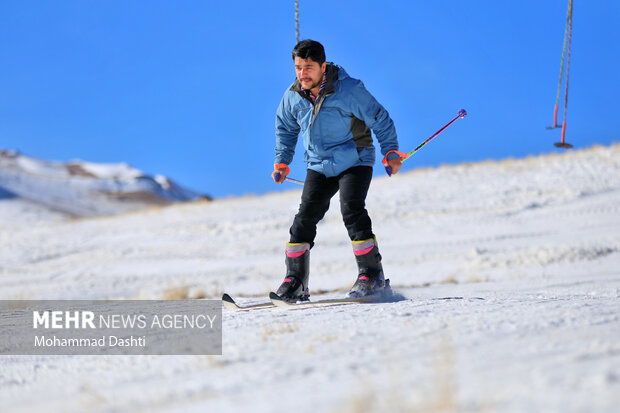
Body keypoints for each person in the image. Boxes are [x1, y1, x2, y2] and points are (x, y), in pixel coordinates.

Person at [272, 39, 404, 301]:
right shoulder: (292, 97)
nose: (302, 74)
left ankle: (371, 275)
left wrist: (390, 151)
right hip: (318, 164)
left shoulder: (349, 90)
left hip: (355, 159)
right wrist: (282, 161)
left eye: (308, 67)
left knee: (351, 209)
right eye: (298, 67)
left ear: (323, 66)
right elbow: (285, 129)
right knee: (304, 218)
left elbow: (380, 118)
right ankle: (295, 281)